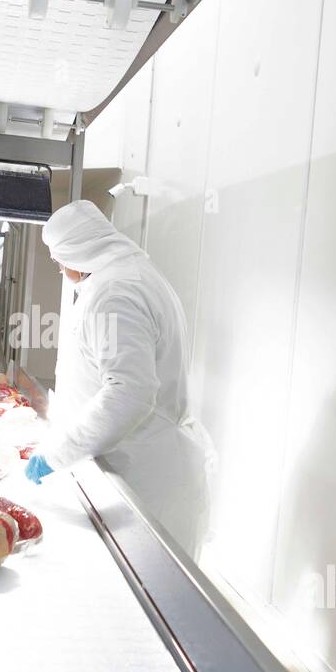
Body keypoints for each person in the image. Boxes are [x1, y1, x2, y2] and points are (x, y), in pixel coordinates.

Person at [24, 200, 213, 558]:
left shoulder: (116, 293)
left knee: (154, 590)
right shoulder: (129, 276)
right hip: (136, 464)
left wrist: (56, 455)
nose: (60, 268)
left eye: (58, 260)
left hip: (142, 475)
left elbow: (130, 393)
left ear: (75, 253)